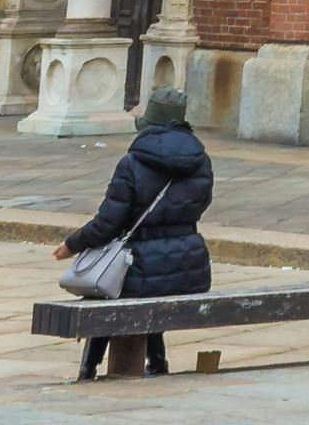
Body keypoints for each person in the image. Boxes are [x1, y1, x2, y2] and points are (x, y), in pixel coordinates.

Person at [56, 86, 212, 380]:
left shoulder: (133, 163)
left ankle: (88, 368)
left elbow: (107, 224)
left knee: (109, 286)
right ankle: (158, 361)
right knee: (149, 285)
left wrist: (72, 244)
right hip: (189, 268)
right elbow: (202, 204)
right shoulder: (201, 161)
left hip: (141, 268)